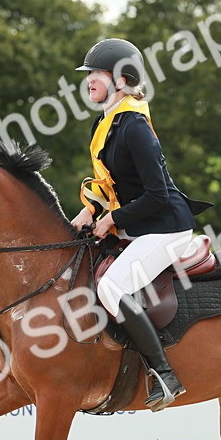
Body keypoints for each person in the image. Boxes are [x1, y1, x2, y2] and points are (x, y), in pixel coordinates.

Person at [70, 38, 212, 412]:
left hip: (167, 227)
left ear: (120, 80)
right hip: (139, 226)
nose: (89, 81)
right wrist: (89, 211)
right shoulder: (103, 124)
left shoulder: (134, 127)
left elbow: (157, 195)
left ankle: (166, 375)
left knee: (114, 287)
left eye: (95, 75)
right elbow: (107, 183)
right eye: (89, 76)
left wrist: (113, 219)